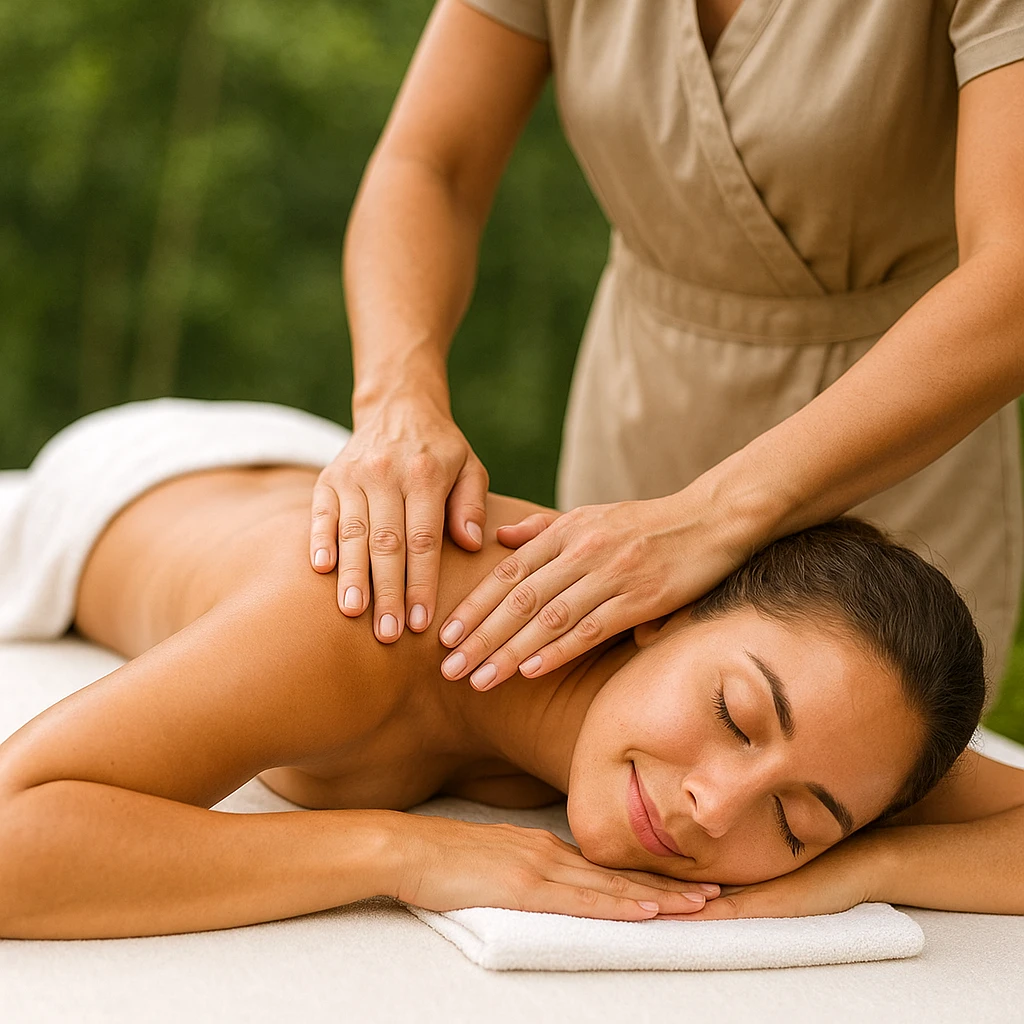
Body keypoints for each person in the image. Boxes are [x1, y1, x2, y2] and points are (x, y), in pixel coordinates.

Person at [0, 400, 1022, 940]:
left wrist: (862, 871)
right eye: (733, 713)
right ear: (659, 613)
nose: (715, 808)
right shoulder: (358, 618)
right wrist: (397, 852)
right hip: (137, 476)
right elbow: (15, 838)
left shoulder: (833, 730)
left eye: (797, 823)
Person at [308, 0, 1024, 700]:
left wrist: (714, 516)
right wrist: (397, 400)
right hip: (638, 415)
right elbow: (431, 166)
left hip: (891, 434)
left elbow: (1014, 271)